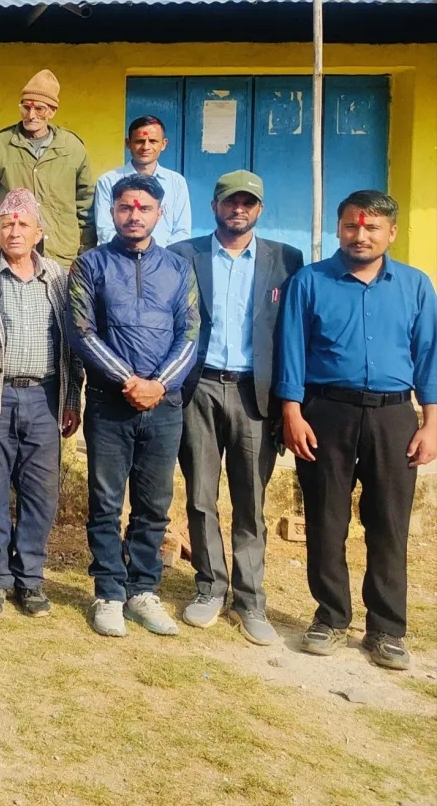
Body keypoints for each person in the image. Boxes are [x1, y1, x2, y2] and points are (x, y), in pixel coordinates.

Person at [277, 190, 437, 671]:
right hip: (326, 413)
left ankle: (386, 629)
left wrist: (431, 423)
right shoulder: (310, 282)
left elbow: (428, 355)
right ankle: (329, 617)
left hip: (394, 416)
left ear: (392, 232)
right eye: (351, 226)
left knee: (389, 522)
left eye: (371, 228)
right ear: (339, 229)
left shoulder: (415, 285)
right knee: (326, 519)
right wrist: (292, 413)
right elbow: (291, 349)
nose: (360, 235)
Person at [168, 171, 302, 645]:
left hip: (254, 394)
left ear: (260, 209)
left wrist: (289, 400)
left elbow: (292, 333)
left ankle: (249, 599)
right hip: (199, 387)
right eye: (230, 201)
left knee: (251, 499)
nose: (238, 209)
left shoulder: (286, 260)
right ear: (215, 206)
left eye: (248, 202)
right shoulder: (184, 255)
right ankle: (209, 586)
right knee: (200, 496)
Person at [69, 174, 199, 638]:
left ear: (159, 214)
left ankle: (143, 590)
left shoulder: (179, 269)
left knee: (154, 503)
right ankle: (108, 591)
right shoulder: (90, 265)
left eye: (144, 208)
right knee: (105, 501)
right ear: (113, 212)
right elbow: (82, 332)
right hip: (110, 402)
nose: (134, 215)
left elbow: (189, 333)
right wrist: (129, 381)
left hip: (164, 405)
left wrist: (157, 385)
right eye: (125, 207)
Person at [0, 189, 84, 618]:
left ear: (38, 233)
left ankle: (29, 579)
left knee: (40, 495)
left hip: (45, 398)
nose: (14, 231)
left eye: (23, 224)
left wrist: (71, 398)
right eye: (6, 224)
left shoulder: (58, 278)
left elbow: (72, 343)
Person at [0, 70, 94, 267]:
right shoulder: (0, 145)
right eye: (26, 107)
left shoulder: (73, 148)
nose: (31, 115)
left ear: (53, 111)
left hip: (61, 256)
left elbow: (86, 206)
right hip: (12, 254)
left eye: (40, 109)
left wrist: (86, 254)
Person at [93, 116, 191, 246]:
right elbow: (105, 230)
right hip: (119, 256)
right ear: (128, 143)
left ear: (163, 144)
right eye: (140, 141)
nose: (146, 147)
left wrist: (159, 255)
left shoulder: (176, 182)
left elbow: (182, 231)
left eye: (153, 141)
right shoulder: (108, 181)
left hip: (165, 257)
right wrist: (131, 253)